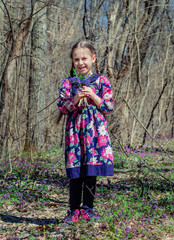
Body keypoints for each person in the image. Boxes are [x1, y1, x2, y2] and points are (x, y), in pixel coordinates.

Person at [57, 41, 114, 222]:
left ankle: (88, 209)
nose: (81, 63)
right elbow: (62, 108)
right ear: (72, 61)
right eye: (76, 59)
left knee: (90, 172)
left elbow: (108, 107)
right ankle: (74, 210)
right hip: (75, 134)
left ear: (93, 59)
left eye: (84, 59)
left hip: (95, 135)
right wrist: (76, 98)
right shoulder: (68, 83)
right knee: (76, 172)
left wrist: (93, 96)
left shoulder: (101, 81)